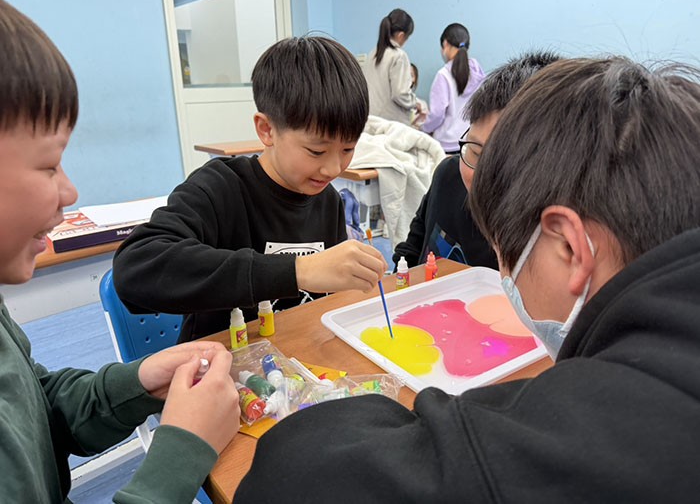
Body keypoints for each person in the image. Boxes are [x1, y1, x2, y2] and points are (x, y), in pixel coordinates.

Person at [234, 56, 700, 501]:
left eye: (505, 255)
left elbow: (290, 472)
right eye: (471, 151)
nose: (504, 274)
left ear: (570, 248)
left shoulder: (591, 431)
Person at [0, 0, 240, 503]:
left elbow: (37, 406)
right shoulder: (219, 185)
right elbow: (143, 265)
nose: (70, 191)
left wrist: (137, 384)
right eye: (49, 166)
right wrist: (181, 451)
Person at [113, 36, 386, 342]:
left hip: (297, 359)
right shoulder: (219, 188)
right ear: (266, 129)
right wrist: (298, 270)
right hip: (221, 361)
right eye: (316, 151)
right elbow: (135, 268)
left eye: (348, 149)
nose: (334, 169)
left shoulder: (327, 201)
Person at [393, 51, 562, 270]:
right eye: (475, 153)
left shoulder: (548, 241)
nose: (482, 178)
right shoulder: (449, 178)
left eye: (502, 165)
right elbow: (410, 253)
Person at [421, 23, 486, 153]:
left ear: (445, 44)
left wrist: (424, 128)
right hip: (471, 143)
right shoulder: (479, 73)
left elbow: (437, 114)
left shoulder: (443, 75)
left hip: (446, 145)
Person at [362, 8, 418, 125]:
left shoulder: (372, 55)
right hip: (390, 125)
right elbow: (400, 94)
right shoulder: (398, 56)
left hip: (370, 121)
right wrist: (415, 103)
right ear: (401, 35)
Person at [409, 62, 429, 128]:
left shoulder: (422, 105)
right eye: (404, 75)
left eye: (411, 75)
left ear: (415, 79)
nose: (407, 78)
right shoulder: (392, 103)